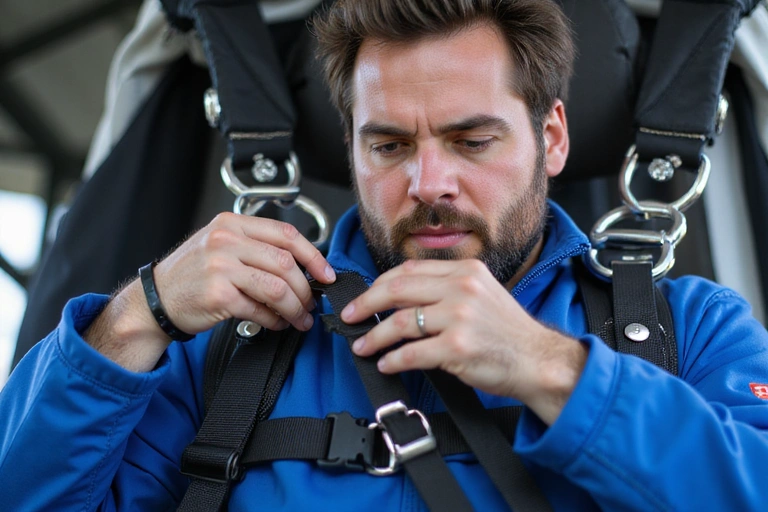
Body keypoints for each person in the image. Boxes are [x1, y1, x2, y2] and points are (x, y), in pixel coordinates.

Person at [1, 0, 767, 510]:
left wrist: (552, 368)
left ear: (552, 137)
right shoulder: (223, 349)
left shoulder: (688, 329)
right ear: (353, 149)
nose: (430, 184)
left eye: (473, 141)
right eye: (391, 144)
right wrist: (140, 315)